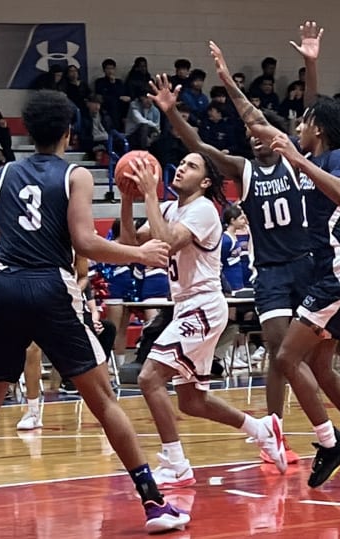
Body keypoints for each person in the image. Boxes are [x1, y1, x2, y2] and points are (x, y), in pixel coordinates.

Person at [0, 89, 188, 538]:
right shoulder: (76, 175)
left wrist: (2, 281)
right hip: (51, 286)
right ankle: (153, 503)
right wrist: (139, 253)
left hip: (6, 287)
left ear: (27, 130)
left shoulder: (4, 173)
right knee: (103, 400)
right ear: (70, 132)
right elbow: (84, 243)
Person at [211, 20, 340, 489]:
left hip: (334, 267)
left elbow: (339, 191)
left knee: (284, 359)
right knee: (315, 364)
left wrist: (296, 158)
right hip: (323, 268)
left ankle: (331, 441)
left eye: (302, 126)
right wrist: (302, 65)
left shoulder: (332, 160)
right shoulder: (307, 154)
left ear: (318, 132)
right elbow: (276, 116)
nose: (296, 128)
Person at [119, 150, 288, 490]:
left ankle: (176, 464)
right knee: (192, 400)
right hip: (185, 307)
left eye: (191, 166)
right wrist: (127, 198)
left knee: (150, 377)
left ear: (206, 181)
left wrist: (150, 193)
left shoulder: (203, 211)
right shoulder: (168, 209)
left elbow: (166, 242)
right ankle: (262, 429)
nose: (181, 167)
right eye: (180, 162)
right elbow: (127, 243)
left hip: (203, 305)